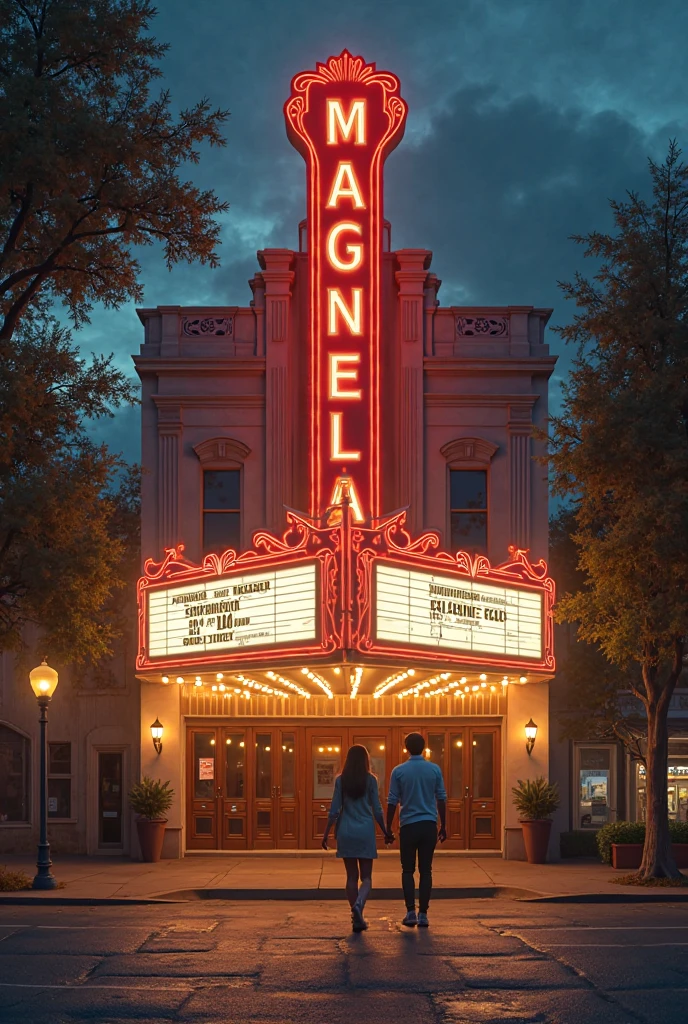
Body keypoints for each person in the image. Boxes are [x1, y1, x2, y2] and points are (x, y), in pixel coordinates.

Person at [322, 744, 393, 932]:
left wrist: (326, 832)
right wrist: (385, 830)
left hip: (346, 830)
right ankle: (359, 906)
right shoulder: (371, 780)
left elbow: (334, 809)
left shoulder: (341, 781)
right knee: (367, 878)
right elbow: (377, 809)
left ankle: (356, 917)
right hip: (365, 831)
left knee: (351, 877)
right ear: (365, 761)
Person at [385, 732, 447, 928]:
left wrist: (388, 827)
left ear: (406, 748)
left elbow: (392, 801)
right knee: (426, 870)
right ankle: (424, 914)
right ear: (423, 747)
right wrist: (443, 825)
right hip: (428, 824)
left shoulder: (399, 771)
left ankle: (410, 911)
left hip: (409, 825)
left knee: (407, 870)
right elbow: (441, 798)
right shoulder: (434, 770)